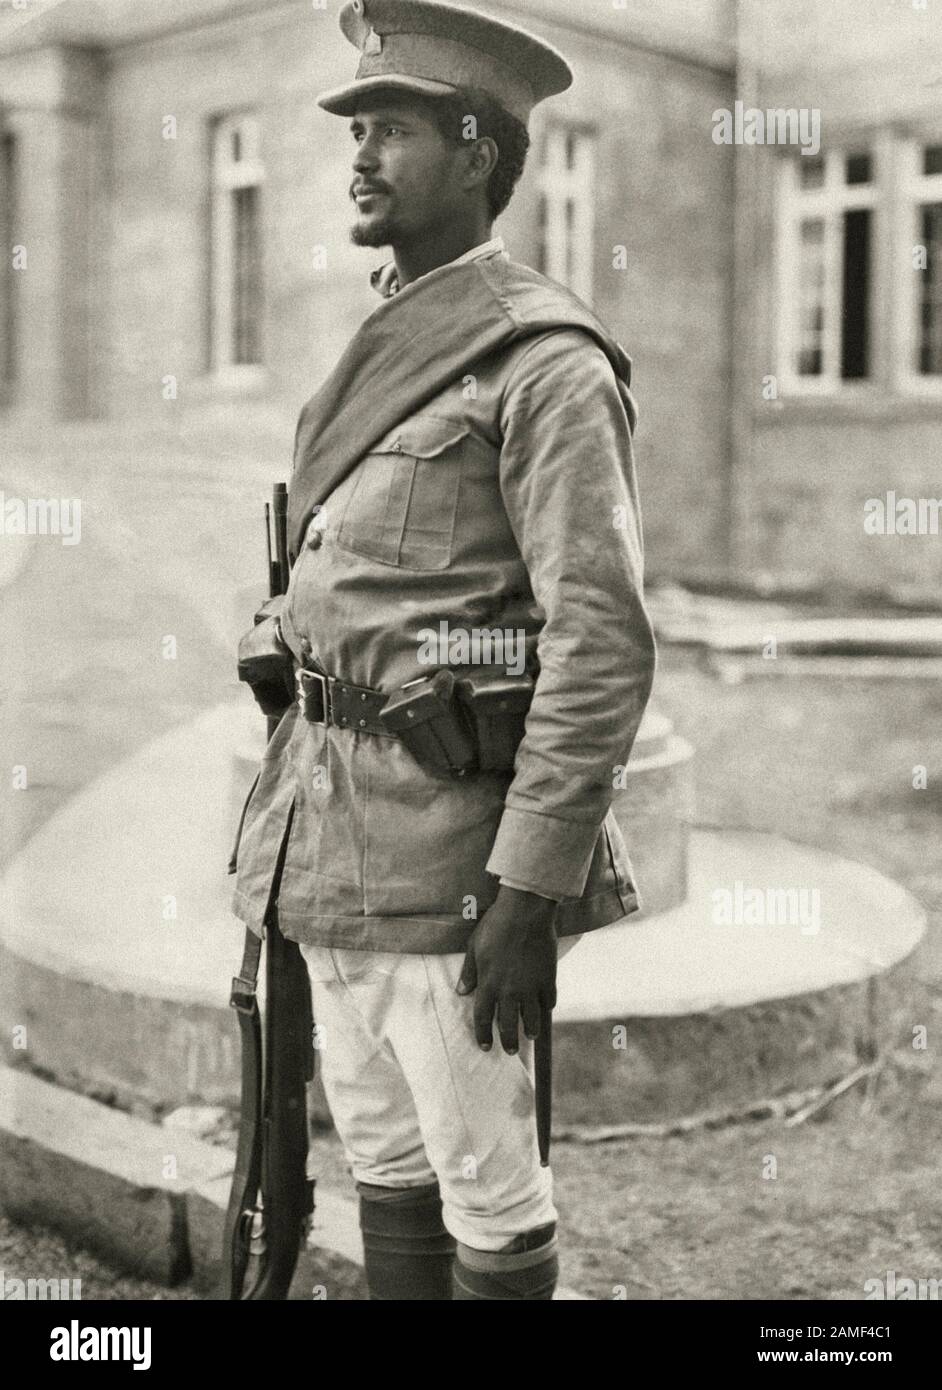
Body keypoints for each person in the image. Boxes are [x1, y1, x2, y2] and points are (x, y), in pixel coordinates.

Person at [231, 0, 657, 1301]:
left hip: (449, 875)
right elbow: (349, 558)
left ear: (476, 151)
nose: (357, 155)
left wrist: (527, 894)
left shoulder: (543, 365)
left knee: (489, 1199)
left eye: (392, 128)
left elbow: (600, 639)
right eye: (355, 127)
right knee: (386, 1174)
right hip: (328, 849)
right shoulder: (386, 340)